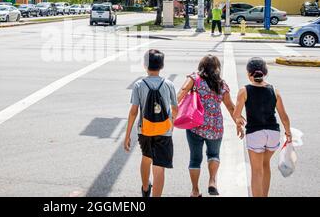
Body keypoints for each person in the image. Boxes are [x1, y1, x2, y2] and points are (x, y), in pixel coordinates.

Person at [177, 55, 237, 197]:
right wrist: (238, 123)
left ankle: (195, 190)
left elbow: (182, 92)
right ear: (217, 68)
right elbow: (230, 107)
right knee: (214, 154)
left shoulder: (194, 79)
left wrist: (172, 111)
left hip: (195, 124)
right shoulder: (221, 84)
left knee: (195, 159)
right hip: (215, 126)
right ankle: (212, 181)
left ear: (201, 66)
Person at [233, 57, 292, 197]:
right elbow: (284, 116)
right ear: (265, 73)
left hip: (255, 134)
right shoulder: (274, 90)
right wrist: (288, 133)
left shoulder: (244, 91)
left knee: (256, 170)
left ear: (249, 73)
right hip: (273, 134)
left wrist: (239, 124)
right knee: (265, 165)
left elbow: (236, 114)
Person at [124, 49, 178, 197]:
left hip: (145, 130)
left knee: (146, 158)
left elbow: (134, 111)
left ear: (145, 65)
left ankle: (145, 188)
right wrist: (171, 125)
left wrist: (127, 135)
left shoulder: (139, 85)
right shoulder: (169, 84)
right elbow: (175, 109)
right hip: (164, 131)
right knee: (159, 167)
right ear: (162, 66)